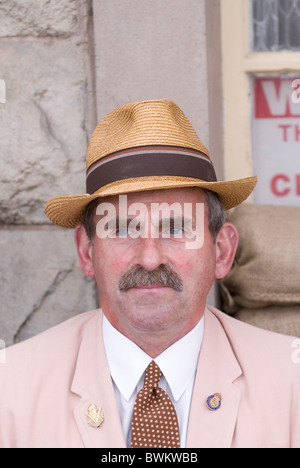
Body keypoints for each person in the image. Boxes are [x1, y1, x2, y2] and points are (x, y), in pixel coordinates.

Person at [0, 99, 299, 448]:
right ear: (87, 251)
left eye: (175, 228)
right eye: (124, 229)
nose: (150, 257)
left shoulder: (292, 381)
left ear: (221, 252)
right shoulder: (10, 387)